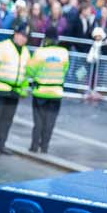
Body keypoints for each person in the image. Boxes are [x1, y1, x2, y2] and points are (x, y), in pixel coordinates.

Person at [0, 22, 30, 156]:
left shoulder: (25, 52)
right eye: (22, 35)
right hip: (0, 88)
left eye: (26, 36)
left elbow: (25, 73)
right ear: (16, 34)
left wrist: (24, 90)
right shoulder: (4, 47)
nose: (23, 38)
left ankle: (1, 144)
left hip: (15, 91)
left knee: (7, 120)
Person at [25, 26, 69, 154]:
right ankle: (44, 147)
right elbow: (65, 69)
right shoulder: (64, 53)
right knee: (50, 122)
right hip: (56, 92)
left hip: (40, 92)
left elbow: (30, 70)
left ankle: (34, 146)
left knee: (38, 121)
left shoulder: (40, 52)